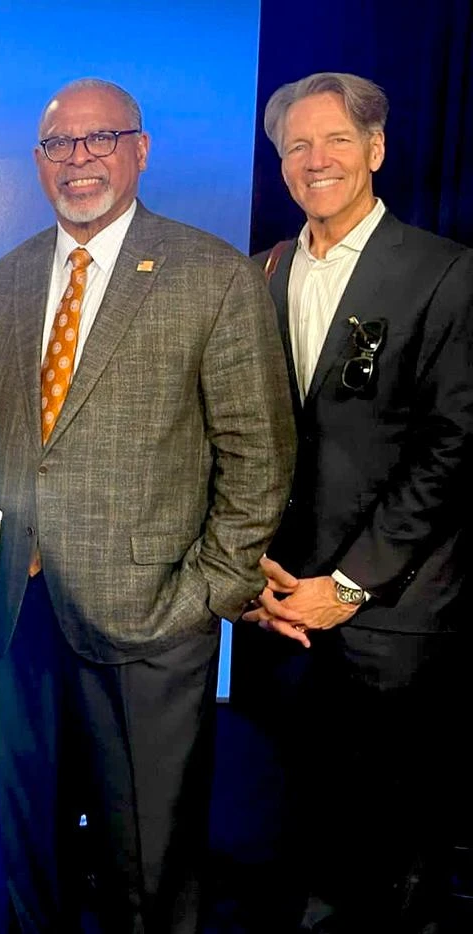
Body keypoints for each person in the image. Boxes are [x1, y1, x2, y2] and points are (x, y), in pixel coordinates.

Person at [0, 78, 295, 932]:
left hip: (154, 622)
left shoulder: (212, 275)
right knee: (28, 844)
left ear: (140, 149)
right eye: (59, 145)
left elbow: (259, 459)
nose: (79, 160)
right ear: (38, 163)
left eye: (99, 139)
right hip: (24, 613)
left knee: (149, 859)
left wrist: (202, 597)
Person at [239, 72, 473, 931]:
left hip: (394, 615)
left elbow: (454, 449)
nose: (316, 159)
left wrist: (347, 585)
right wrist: (256, 577)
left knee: (391, 855)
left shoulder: (446, 274)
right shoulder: (258, 273)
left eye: (336, 139)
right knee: (291, 838)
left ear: (375, 150)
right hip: (282, 611)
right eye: (297, 146)